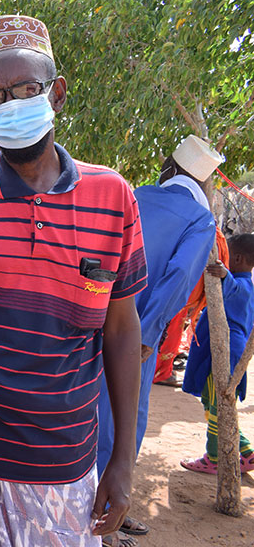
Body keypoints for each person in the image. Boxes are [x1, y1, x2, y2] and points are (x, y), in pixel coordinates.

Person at [0, 15, 147, 547]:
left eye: (25, 88)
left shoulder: (113, 197)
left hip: (64, 461)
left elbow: (120, 329)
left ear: (56, 93)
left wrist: (123, 460)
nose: (10, 104)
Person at [96, 135, 220, 544]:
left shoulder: (134, 194)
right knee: (124, 418)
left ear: (170, 169)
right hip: (136, 331)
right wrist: (148, 332)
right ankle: (104, 517)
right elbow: (182, 276)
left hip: (95, 318)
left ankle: (97, 507)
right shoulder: (200, 221)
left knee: (91, 411)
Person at [180, 233, 254, 474]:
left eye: (226, 253)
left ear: (238, 258)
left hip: (225, 354)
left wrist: (224, 275)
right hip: (222, 350)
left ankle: (214, 457)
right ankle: (245, 452)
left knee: (215, 406)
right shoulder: (241, 284)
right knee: (216, 404)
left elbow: (234, 290)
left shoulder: (243, 286)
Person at [153, 228, 228, 387]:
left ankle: (161, 369)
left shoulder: (193, 227)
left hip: (176, 288)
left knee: (165, 328)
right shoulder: (205, 231)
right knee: (170, 331)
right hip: (181, 290)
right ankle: (160, 372)